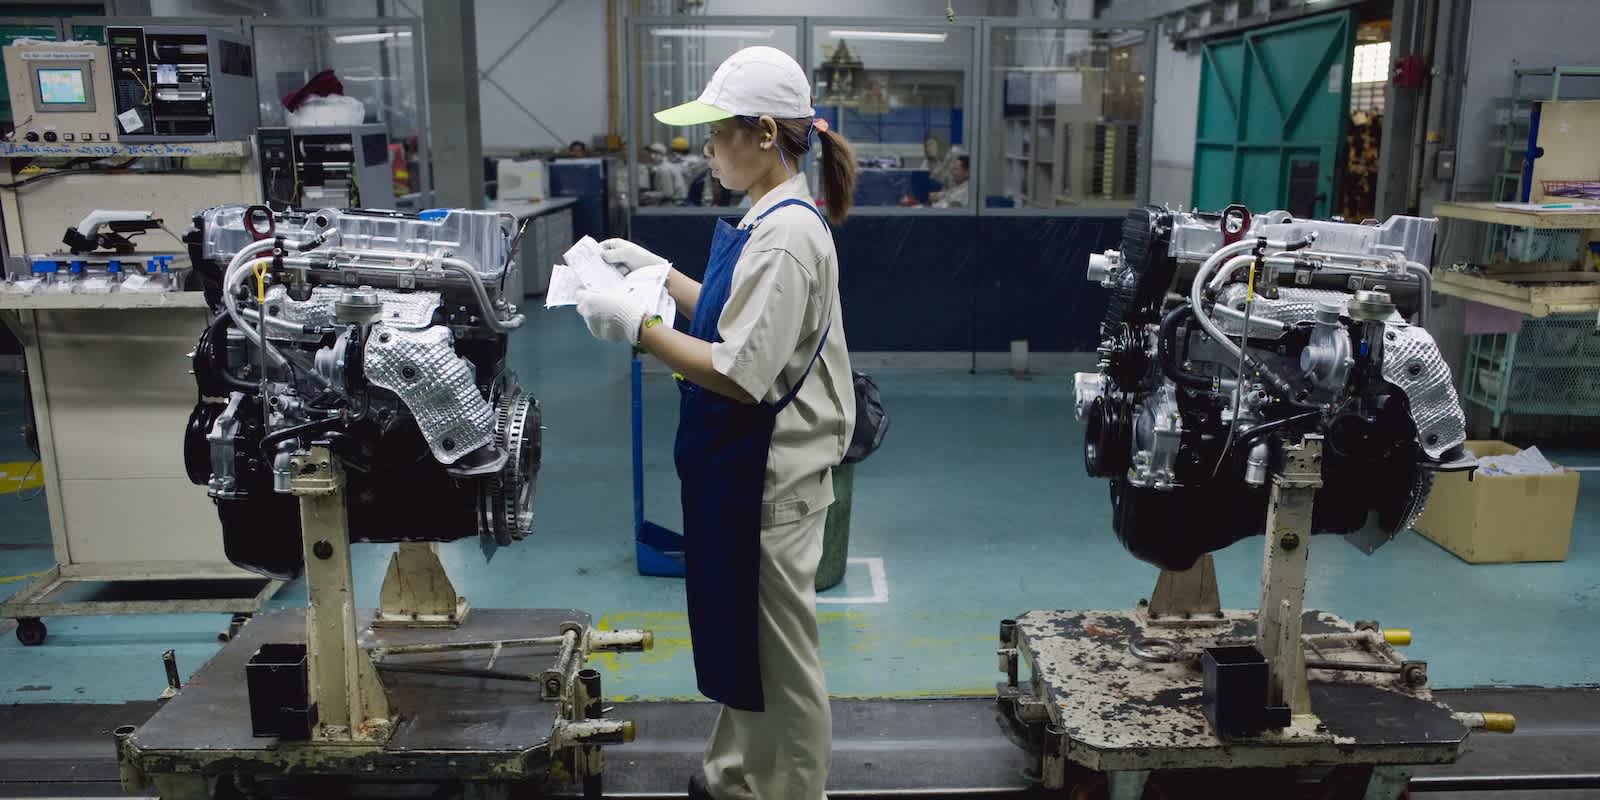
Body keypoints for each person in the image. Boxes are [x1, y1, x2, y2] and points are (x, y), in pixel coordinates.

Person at [570, 45, 857, 800]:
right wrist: (656, 274)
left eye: (716, 132)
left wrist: (637, 326)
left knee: (779, 663)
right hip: (749, 474)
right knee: (747, 644)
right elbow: (740, 320)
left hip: (773, 478)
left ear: (765, 133)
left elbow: (737, 371)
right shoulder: (771, 220)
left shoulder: (790, 235)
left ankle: (789, 790)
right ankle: (737, 776)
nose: (705, 149)